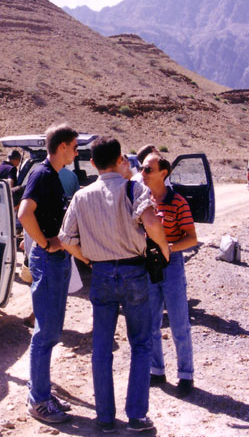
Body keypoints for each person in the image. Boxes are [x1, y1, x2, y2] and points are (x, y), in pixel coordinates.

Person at [59, 137, 169, 433]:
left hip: (102, 274)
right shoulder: (134, 188)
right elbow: (152, 223)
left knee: (101, 348)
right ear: (121, 158)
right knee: (141, 344)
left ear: (92, 163)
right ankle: (137, 416)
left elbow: (65, 239)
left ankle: (105, 418)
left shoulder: (81, 196)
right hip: (134, 272)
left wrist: (88, 258)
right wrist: (164, 250)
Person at [18, 124, 79, 424]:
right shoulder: (42, 174)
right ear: (63, 146)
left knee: (52, 331)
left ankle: (40, 390)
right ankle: (38, 400)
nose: (76, 153)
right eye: (75, 147)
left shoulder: (52, 175)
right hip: (48, 259)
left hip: (56, 258)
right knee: (45, 333)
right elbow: (23, 213)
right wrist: (44, 243)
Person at [140, 154, 198, 398]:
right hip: (148, 264)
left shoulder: (178, 202)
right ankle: (157, 371)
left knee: (179, 322)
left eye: (148, 169)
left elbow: (192, 238)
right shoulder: (142, 200)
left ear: (163, 173)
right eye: (142, 168)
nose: (142, 173)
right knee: (151, 322)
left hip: (171, 264)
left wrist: (169, 248)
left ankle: (185, 375)